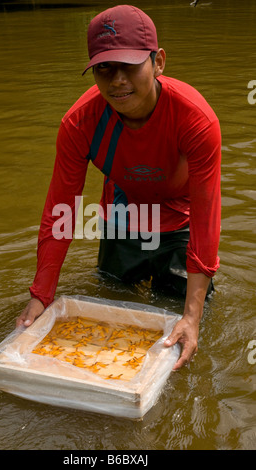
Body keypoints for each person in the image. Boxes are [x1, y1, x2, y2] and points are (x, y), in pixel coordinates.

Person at [16, 5, 221, 370]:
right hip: (123, 214)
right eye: (104, 68)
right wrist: (41, 295)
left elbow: (207, 218)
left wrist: (192, 317)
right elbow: (61, 212)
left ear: (158, 62)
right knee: (111, 298)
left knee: (188, 320)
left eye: (128, 65)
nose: (116, 81)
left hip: (182, 217)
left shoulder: (196, 119)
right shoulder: (80, 123)